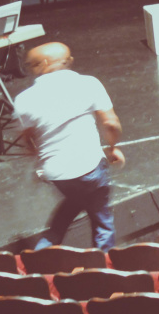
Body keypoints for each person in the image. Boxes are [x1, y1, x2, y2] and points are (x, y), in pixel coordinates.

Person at [14, 42, 124, 251]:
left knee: (75, 201)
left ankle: (43, 251)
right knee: (101, 220)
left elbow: (28, 138)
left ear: (44, 64)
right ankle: (103, 270)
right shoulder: (88, 83)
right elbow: (111, 123)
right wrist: (113, 147)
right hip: (89, 168)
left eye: (30, 65)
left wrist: (40, 159)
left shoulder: (23, 100)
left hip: (58, 175)